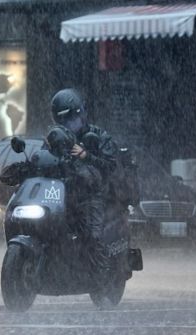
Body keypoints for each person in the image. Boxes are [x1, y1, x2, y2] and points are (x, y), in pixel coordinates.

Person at [48, 88, 124, 281]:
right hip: (61, 194)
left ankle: (102, 278)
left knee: (92, 236)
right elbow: (44, 159)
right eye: (63, 120)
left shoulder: (99, 136)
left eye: (71, 117)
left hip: (93, 194)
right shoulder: (55, 137)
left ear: (81, 114)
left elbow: (111, 166)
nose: (68, 123)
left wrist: (86, 155)